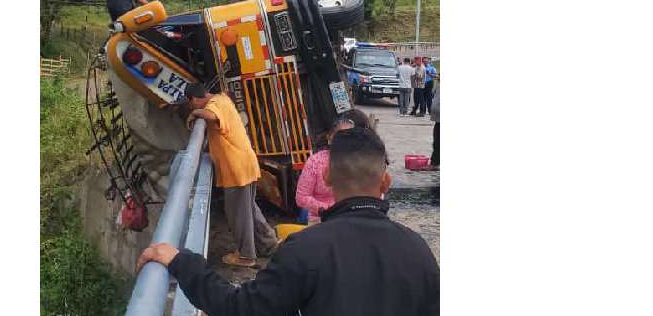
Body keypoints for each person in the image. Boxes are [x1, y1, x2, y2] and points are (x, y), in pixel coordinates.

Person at [137, 127, 440, 316]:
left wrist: (181, 260)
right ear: (385, 181)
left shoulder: (306, 249)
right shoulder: (419, 251)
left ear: (327, 176)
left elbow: (241, 309)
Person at [183, 83, 278, 267]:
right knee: (248, 208)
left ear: (194, 99)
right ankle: (268, 243)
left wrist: (196, 113)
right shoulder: (222, 99)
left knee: (237, 213)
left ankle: (246, 256)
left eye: (191, 105)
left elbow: (211, 115)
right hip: (244, 164)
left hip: (236, 168)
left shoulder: (213, 105)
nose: (192, 107)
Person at [296, 113, 360, 225]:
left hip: (348, 217)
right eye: (340, 136)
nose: (345, 141)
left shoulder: (358, 163)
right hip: (319, 217)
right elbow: (301, 197)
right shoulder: (315, 162)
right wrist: (330, 210)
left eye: (350, 137)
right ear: (330, 137)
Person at [430, 85, 440, 170]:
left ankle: (435, 163)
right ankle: (435, 163)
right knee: (436, 142)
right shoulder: (438, 87)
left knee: (438, 142)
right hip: (438, 119)